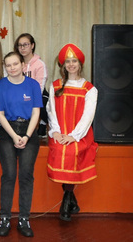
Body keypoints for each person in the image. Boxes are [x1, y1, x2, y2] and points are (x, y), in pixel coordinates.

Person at [47, 43, 98, 222]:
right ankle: (71, 200)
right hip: (60, 132)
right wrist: (56, 132)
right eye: (68, 61)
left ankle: (66, 202)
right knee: (60, 149)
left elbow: (88, 117)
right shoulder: (55, 86)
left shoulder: (89, 89)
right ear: (63, 65)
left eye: (74, 61)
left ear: (80, 64)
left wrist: (74, 136)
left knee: (70, 153)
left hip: (80, 135)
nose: (71, 64)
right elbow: (51, 111)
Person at [0, 51, 42, 238]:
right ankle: (4, 218)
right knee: (9, 174)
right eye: (8, 65)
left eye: (15, 64)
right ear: (5, 67)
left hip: (28, 130)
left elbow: (36, 113)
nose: (12, 68)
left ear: (23, 65)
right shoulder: (0, 86)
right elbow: (0, 115)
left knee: (26, 175)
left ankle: (24, 219)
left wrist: (27, 136)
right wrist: (14, 136)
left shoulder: (33, 85)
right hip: (7, 131)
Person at [14, 33, 49, 137]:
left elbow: (39, 87)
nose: (22, 48)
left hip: (36, 94)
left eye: (25, 44)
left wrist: (27, 98)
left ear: (32, 45)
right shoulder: (16, 63)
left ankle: (43, 123)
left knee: (42, 103)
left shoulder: (40, 64)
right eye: (20, 45)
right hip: (19, 94)